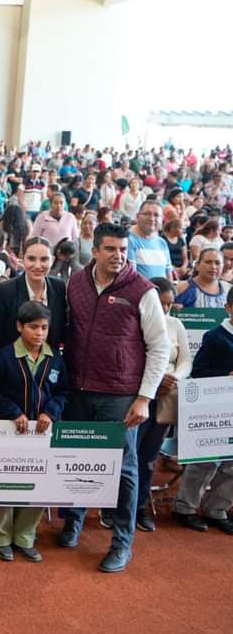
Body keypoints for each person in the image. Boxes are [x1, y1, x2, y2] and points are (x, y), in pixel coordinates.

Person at [60, 222, 170, 573]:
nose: (118, 256)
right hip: (78, 390)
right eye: (110, 249)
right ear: (94, 251)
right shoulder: (76, 282)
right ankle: (73, 520)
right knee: (76, 460)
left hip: (120, 396)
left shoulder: (142, 290)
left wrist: (143, 398)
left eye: (123, 249)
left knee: (123, 470)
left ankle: (122, 542)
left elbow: (159, 348)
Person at [0, 301, 69, 562]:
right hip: (10, 432)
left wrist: (50, 412)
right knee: (6, 485)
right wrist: (13, 412)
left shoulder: (55, 359)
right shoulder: (4, 357)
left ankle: (25, 537)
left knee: (39, 485)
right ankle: (0, 537)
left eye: (44, 327)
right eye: (33, 327)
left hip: (42, 434)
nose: (39, 333)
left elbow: (64, 392)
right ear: (19, 327)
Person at [170, 286, 233, 535]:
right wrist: (225, 376)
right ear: (227, 308)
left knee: (231, 463)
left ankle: (217, 509)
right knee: (204, 461)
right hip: (214, 408)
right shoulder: (215, 336)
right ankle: (184, 507)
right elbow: (198, 372)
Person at [135, 277, 190, 532]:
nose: (166, 309)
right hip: (139, 395)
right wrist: (154, 381)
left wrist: (174, 378)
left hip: (166, 397)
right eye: (161, 303)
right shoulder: (138, 322)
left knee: (148, 457)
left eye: (170, 304)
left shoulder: (175, 324)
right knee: (129, 455)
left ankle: (140, 507)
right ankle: (116, 507)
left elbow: (186, 361)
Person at [0, 237, 67, 357]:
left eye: (44, 259)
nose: (38, 265)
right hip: (10, 368)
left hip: (47, 368)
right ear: (22, 259)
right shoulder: (3, 291)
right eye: (31, 259)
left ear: (53, 260)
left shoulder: (59, 287)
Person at [127, 201, 174, 282]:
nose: (152, 218)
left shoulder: (162, 243)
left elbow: (169, 275)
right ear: (137, 216)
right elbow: (131, 277)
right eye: (147, 214)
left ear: (162, 219)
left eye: (156, 215)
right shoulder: (129, 240)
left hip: (162, 293)